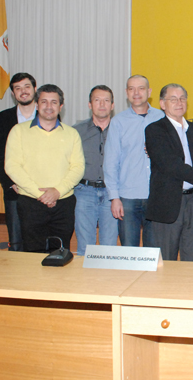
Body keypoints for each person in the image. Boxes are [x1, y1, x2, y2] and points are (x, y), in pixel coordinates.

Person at [145, 84, 193, 261]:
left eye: (182, 98)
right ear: (162, 104)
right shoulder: (155, 130)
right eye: (173, 99)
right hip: (168, 204)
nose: (179, 103)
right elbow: (171, 165)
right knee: (166, 262)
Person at [4, 84, 84, 252]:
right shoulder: (18, 131)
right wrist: (40, 194)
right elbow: (12, 166)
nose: (49, 106)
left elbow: (78, 168)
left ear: (61, 106)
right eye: (44, 102)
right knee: (32, 253)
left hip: (63, 203)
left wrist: (57, 191)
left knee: (60, 253)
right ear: (36, 104)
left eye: (54, 102)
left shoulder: (72, 134)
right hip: (31, 202)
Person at [103, 75, 164, 247]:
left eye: (141, 88)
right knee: (129, 251)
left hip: (156, 195)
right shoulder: (118, 122)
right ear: (126, 93)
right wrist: (114, 197)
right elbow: (110, 162)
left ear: (149, 92)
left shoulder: (162, 118)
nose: (136, 93)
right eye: (131, 89)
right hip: (127, 197)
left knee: (154, 252)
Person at [0, 73, 37, 251]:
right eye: (17, 88)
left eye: (26, 87)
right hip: (14, 190)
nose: (23, 91)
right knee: (17, 242)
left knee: (40, 241)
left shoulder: (48, 115)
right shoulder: (2, 118)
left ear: (34, 89)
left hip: (42, 190)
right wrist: (10, 184)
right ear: (13, 93)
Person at [73, 85, 119, 256]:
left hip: (111, 194)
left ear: (112, 105)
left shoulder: (120, 129)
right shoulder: (76, 131)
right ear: (89, 104)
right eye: (97, 100)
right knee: (85, 248)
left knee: (109, 247)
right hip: (84, 192)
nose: (102, 104)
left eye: (106, 100)